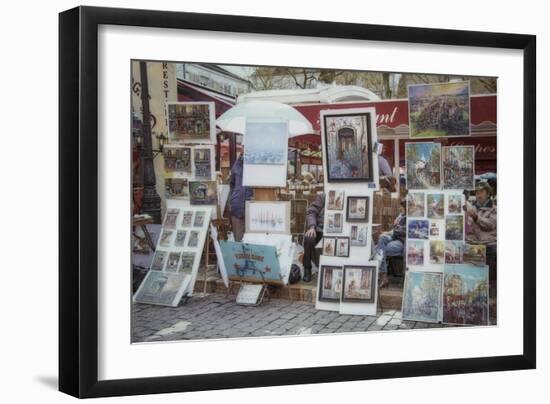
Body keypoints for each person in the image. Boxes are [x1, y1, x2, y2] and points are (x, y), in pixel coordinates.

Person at [373, 197, 407, 288]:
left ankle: (383, 276)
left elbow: (403, 231)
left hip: (401, 241)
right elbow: (394, 230)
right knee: (381, 238)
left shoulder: (409, 218)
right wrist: (385, 233)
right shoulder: (400, 216)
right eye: (401, 206)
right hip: (393, 237)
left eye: (402, 206)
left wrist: (392, 232)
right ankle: (384, 275)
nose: (401, 208)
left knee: (378, 250)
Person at [228, 154, 253, 242]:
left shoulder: (255, 163)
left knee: (252, 240)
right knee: (238, 240)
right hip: (237, 206)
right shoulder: (237, 164)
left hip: (252, 207)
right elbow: (232, 183)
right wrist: (233, 198)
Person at [303, 192, 325, 283]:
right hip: (320, 230)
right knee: (309, 238)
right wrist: (312, 227)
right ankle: (307, 269)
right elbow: (311, 212)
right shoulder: (323, 196)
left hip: (337, 232)